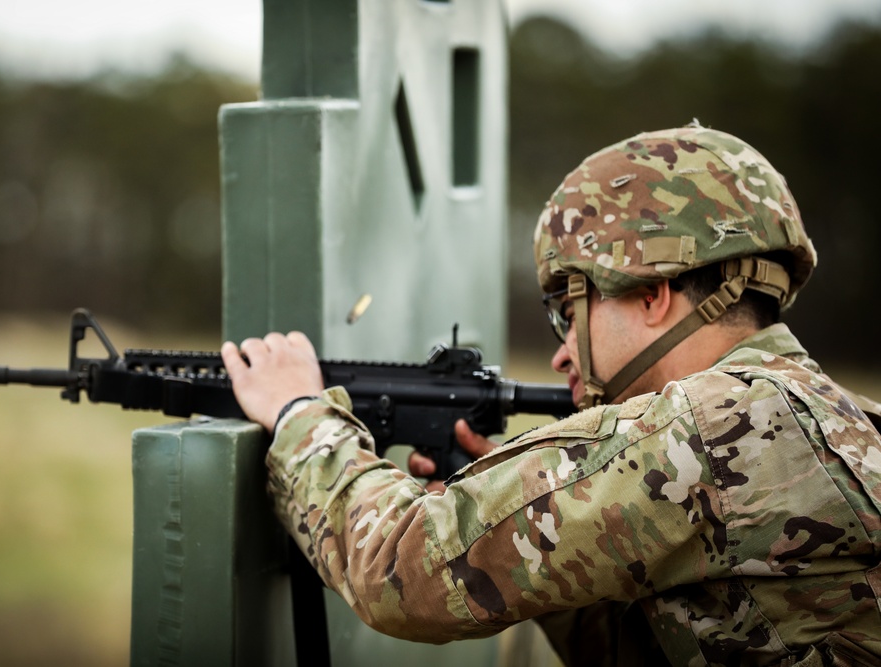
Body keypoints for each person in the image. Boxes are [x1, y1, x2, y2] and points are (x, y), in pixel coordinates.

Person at [221, 124, 881, 666]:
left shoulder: (711, 428)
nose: (564, 349)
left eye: (570, 308)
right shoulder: (829, 415)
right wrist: (536, 531)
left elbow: (405, 572)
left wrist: (299, 413)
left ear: (652, 293)